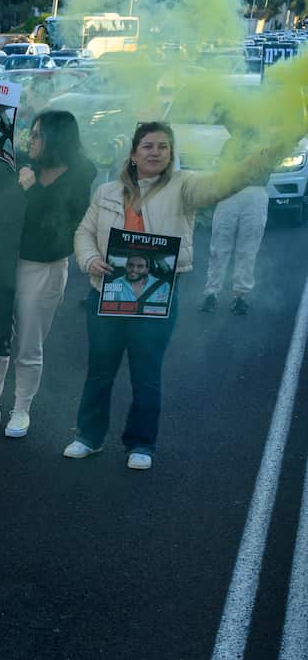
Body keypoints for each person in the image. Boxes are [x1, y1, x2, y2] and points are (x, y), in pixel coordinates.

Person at [66, 121, 283, 470]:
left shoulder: (185, 187)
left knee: (146, 374)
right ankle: (88, 438)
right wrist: (90, 259)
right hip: (105, 296)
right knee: (100, 372)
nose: (156, 152)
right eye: (148, 146)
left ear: (171, 154)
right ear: (133, 154)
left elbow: (227, 182)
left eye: (163, 147)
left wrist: (270, 153)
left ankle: (141, 444)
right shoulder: (106, 191)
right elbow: (84, 232)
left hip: (156, 299)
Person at [0, 110, 96, 438]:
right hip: (4, 261)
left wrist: (31, 189)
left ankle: (21, 409)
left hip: (44, 267)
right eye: (32, 134)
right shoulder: (25, 162)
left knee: (28, 342)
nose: (31, 140)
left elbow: (63, 223)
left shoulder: (81, 173)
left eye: (38, 135)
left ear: (57, 139)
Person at [202, 140, 269, 315]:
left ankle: (240, 295)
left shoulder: (268, 141)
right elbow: (222, 170)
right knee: (219, 248)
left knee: (248, 249)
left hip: (256, 193)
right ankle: (211, 293)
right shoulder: (231, 143)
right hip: (230, 192)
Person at [101, 254, 172, 307]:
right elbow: (107, 306)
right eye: (130, 265)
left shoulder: (163, 286)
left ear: (147, 270)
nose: (134, 269)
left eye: (140, 266)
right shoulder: (116, 283)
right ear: (126, 266)